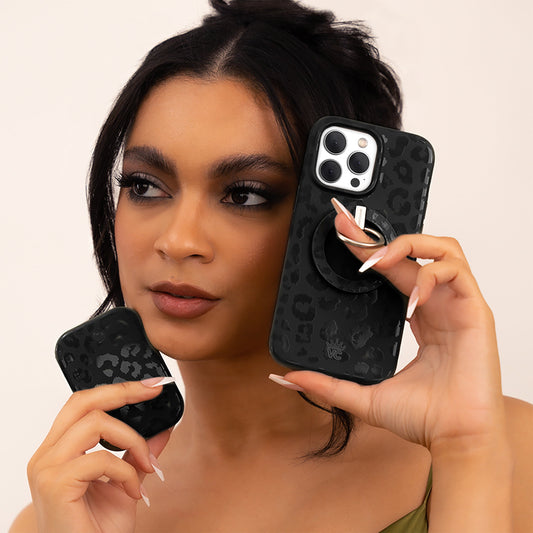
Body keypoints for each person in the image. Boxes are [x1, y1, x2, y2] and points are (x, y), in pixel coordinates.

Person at [10, 0, 533, 531]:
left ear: (341, 218)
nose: (178, 241)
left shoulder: (505, 448)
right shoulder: (64, 513)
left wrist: (468, 454)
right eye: (144, 186)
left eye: (245, 195)